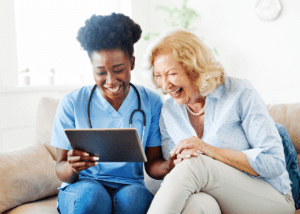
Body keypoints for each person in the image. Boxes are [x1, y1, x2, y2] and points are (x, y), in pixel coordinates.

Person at [146, 29, 296, 214]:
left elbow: (273, 162)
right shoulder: (169, 111)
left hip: (271, 197)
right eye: (159, 76)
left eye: (171, 74)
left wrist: (208, 150)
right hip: (215, 197)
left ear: (194, 69)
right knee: (199, 205)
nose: (164, 85)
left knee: (196, 164)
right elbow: (177, 172)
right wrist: (174, 162)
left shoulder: (240, 92)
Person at [50, 13, 174, 214]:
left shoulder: (151, 101)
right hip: (83, 185)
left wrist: (171, 165)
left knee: (135, 199)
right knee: (92, 197)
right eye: (100, 72)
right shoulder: (72, 103)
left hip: (130, 185)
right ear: (92, 69)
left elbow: (153, 165)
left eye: (118, 69)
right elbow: (60, 170)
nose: (110, 80)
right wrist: (72, 167)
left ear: (132, 63)